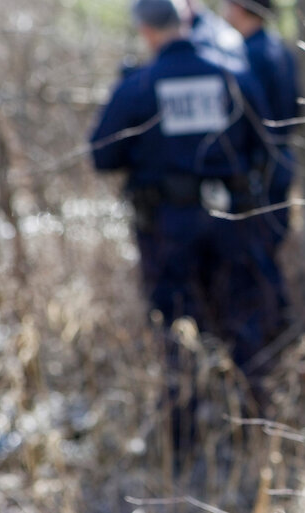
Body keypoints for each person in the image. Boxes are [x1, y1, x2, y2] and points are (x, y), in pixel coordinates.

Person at [89, 0, 277, 375]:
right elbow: (266, 145)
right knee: (240, 316)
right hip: (231, 219)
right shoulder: (232, 75)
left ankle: (186, 406)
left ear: (146, 31)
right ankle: (249, 400)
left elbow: (102, 156)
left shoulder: (138, 85)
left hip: (167, 226)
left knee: (176, 324)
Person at [223, 0, 301, 317]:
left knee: (255, 250)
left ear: (240, 7)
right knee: (268, 244)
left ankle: (270, 323)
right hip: (281, 160)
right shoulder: (280, 49)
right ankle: (278, 318)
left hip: (259, 167)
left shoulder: (246, 55)